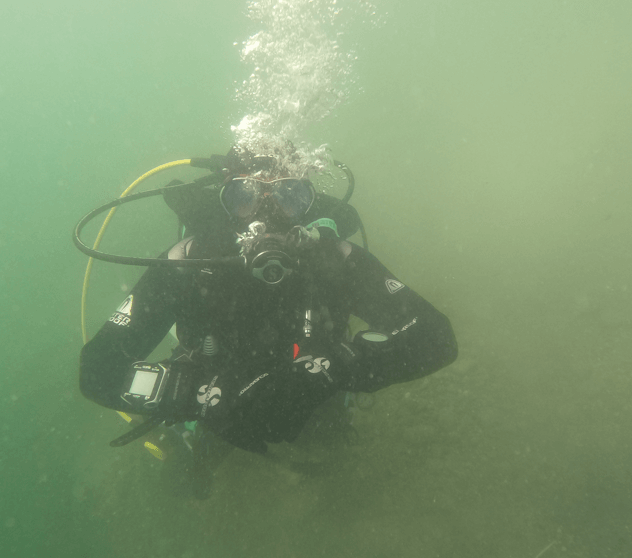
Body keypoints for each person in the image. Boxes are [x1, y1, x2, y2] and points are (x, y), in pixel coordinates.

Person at [79, 146, 457, 461]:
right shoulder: (190, 263)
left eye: (289, 197)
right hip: (215, 404)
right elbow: (97, 370)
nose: (266, 216)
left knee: (329, 449)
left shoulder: (332, 260)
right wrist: (201, 394)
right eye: (244, 197)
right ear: (224, 202)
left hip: (316, 401)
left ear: (309, 203)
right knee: (205, 458)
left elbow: (436, 336)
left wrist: (327, 369)